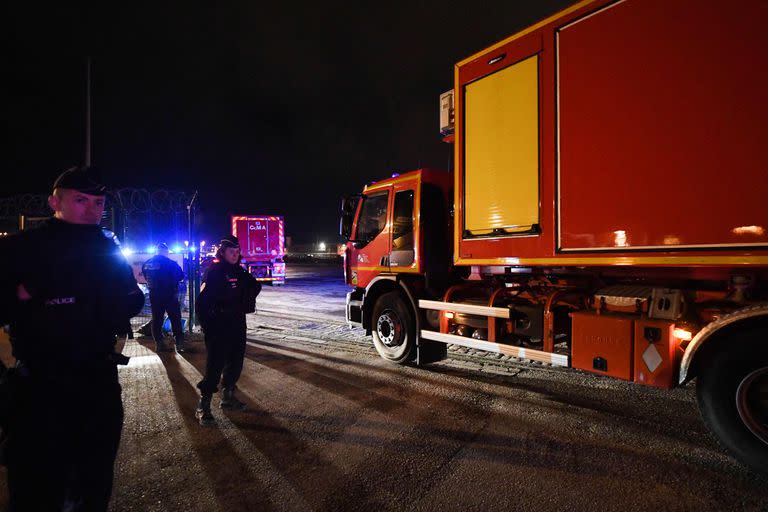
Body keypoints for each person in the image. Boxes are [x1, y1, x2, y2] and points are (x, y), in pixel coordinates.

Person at [0, 166, 144, 511]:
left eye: (98, 202)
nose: (92, 208)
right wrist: (23, 295)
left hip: (98, 380)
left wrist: (115, 299)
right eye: (81, 200)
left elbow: (133, 300)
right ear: (55, 202)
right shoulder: (24, 248)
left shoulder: (107, 248)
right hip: (41, 385)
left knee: (94, 482)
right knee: (38, 486)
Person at [195, 235, 260, 426]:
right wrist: (208, 326)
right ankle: (203, 405)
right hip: (219, 326)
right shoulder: (214, 272)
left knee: (235, 362)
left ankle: (228, 396)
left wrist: (246, 298)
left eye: (237, 251)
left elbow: (255, 285)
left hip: (237, 324)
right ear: (223, 252)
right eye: (232, 251)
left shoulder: (238, 271)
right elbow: (202, 302)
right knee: (214, 366)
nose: (235, 254)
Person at [142, 243, 187, 352]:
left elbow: (145, 276)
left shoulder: (147, 263)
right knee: (175, 319)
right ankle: (179, 343)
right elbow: (180, 276)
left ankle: (159, 343)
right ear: (166, 252)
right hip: (169, 295)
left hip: (154, 295)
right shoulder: (170, 263)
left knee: (157, 319)